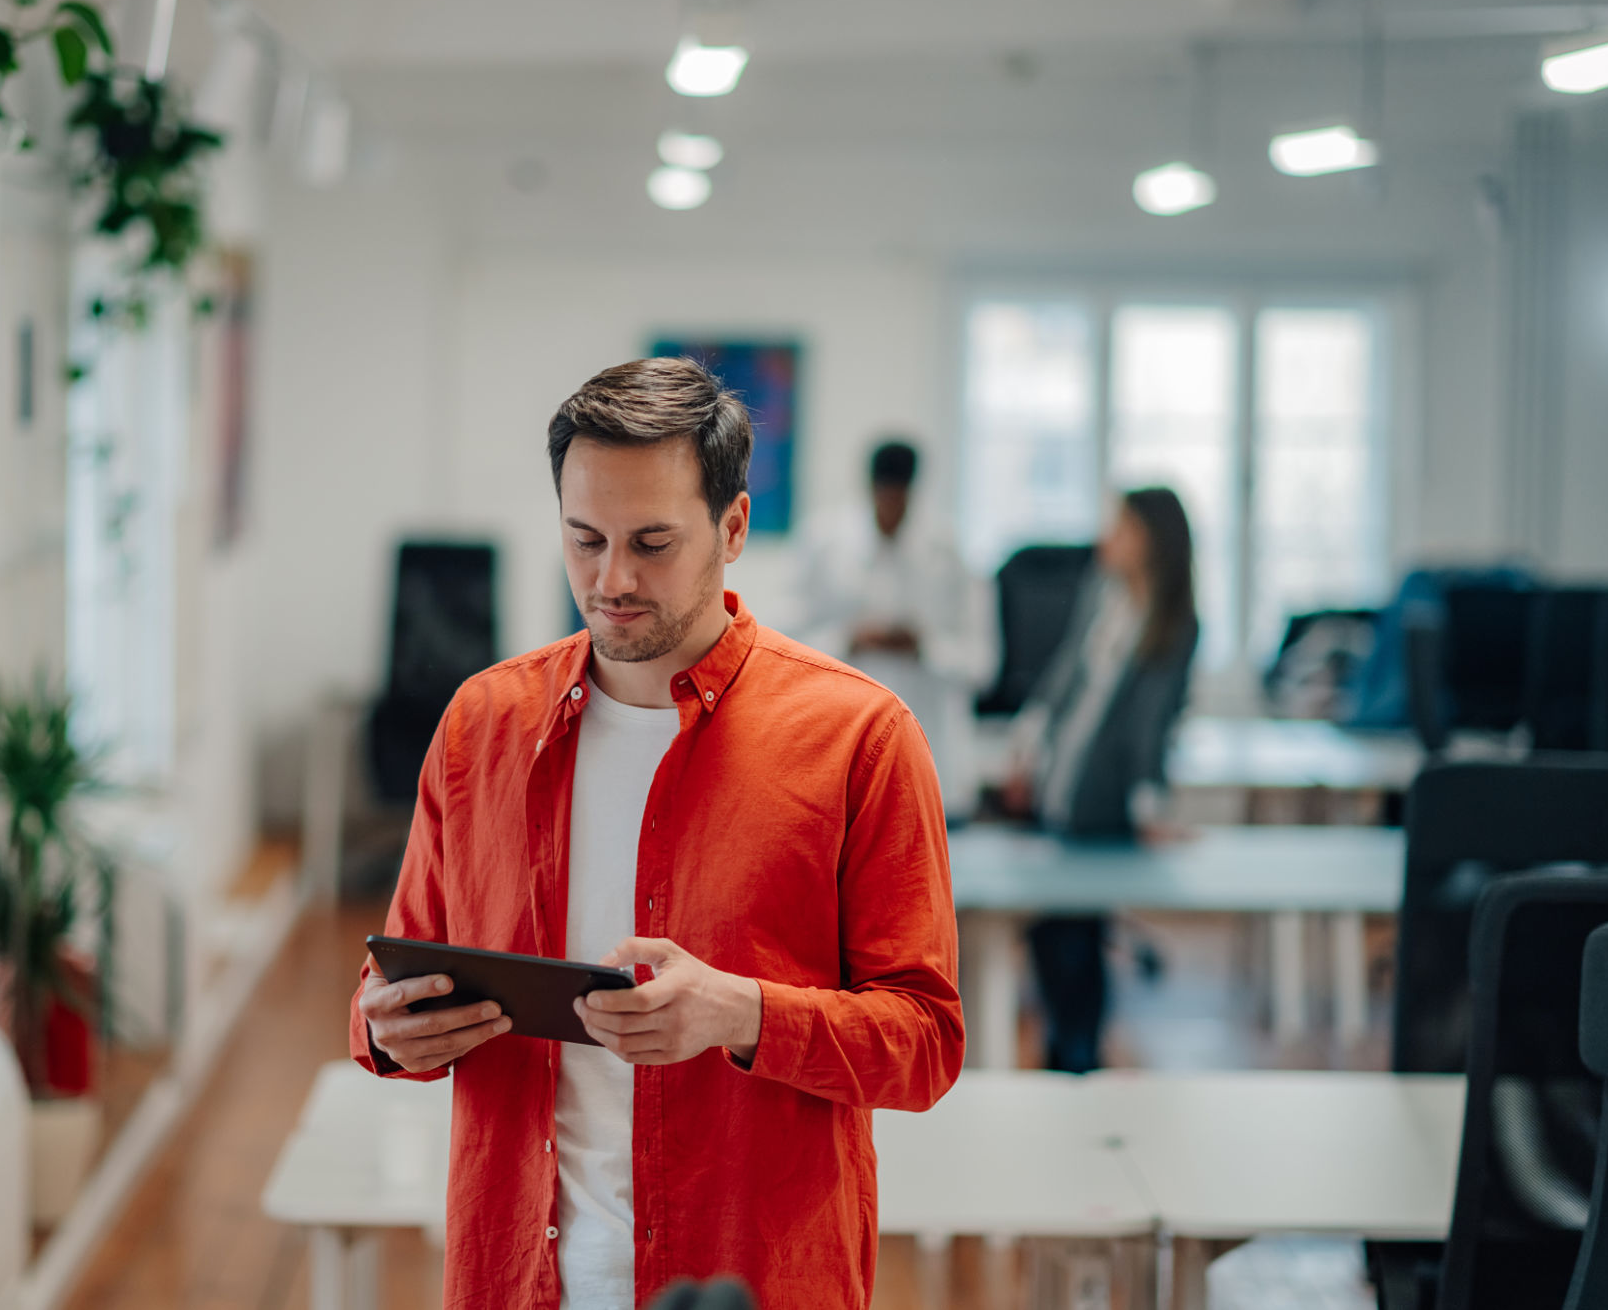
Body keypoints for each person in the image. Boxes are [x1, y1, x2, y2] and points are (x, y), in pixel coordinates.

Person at [349, 357, 965, 1310]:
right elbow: (387, 984)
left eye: (652, 542)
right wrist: (386, 1029)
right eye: (585, 539)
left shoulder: (860, 736)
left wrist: (742, 1012)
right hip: (515, 1279)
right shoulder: (482, 725)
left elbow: (925, 1041)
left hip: (750, 1282)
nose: (612, 579)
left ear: (734, 527)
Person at [1003, 487, 1198, 1073]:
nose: (1107, 538)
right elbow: (1064, 676)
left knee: (1076, 936)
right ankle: (1066, 1052)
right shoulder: (1100, 595)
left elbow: (1151, 728)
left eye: (1122, 527)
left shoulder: (1175, 624)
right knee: (1048, 930)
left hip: (1105, 799)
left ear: (1152, 541)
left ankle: (1078, 1057)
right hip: (1059, 779)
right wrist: (1027, 746)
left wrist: (1149, 809)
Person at [791, 440, 995, 822]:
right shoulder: (824, 545)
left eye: (899, 497)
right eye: (884, 495)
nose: (890, 506)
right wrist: (850, 640)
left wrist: (923, 648)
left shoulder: (950, 555)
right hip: (840, 756)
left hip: (934, 762)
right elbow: (787, 651)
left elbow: (982, 665)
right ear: (870, 488)